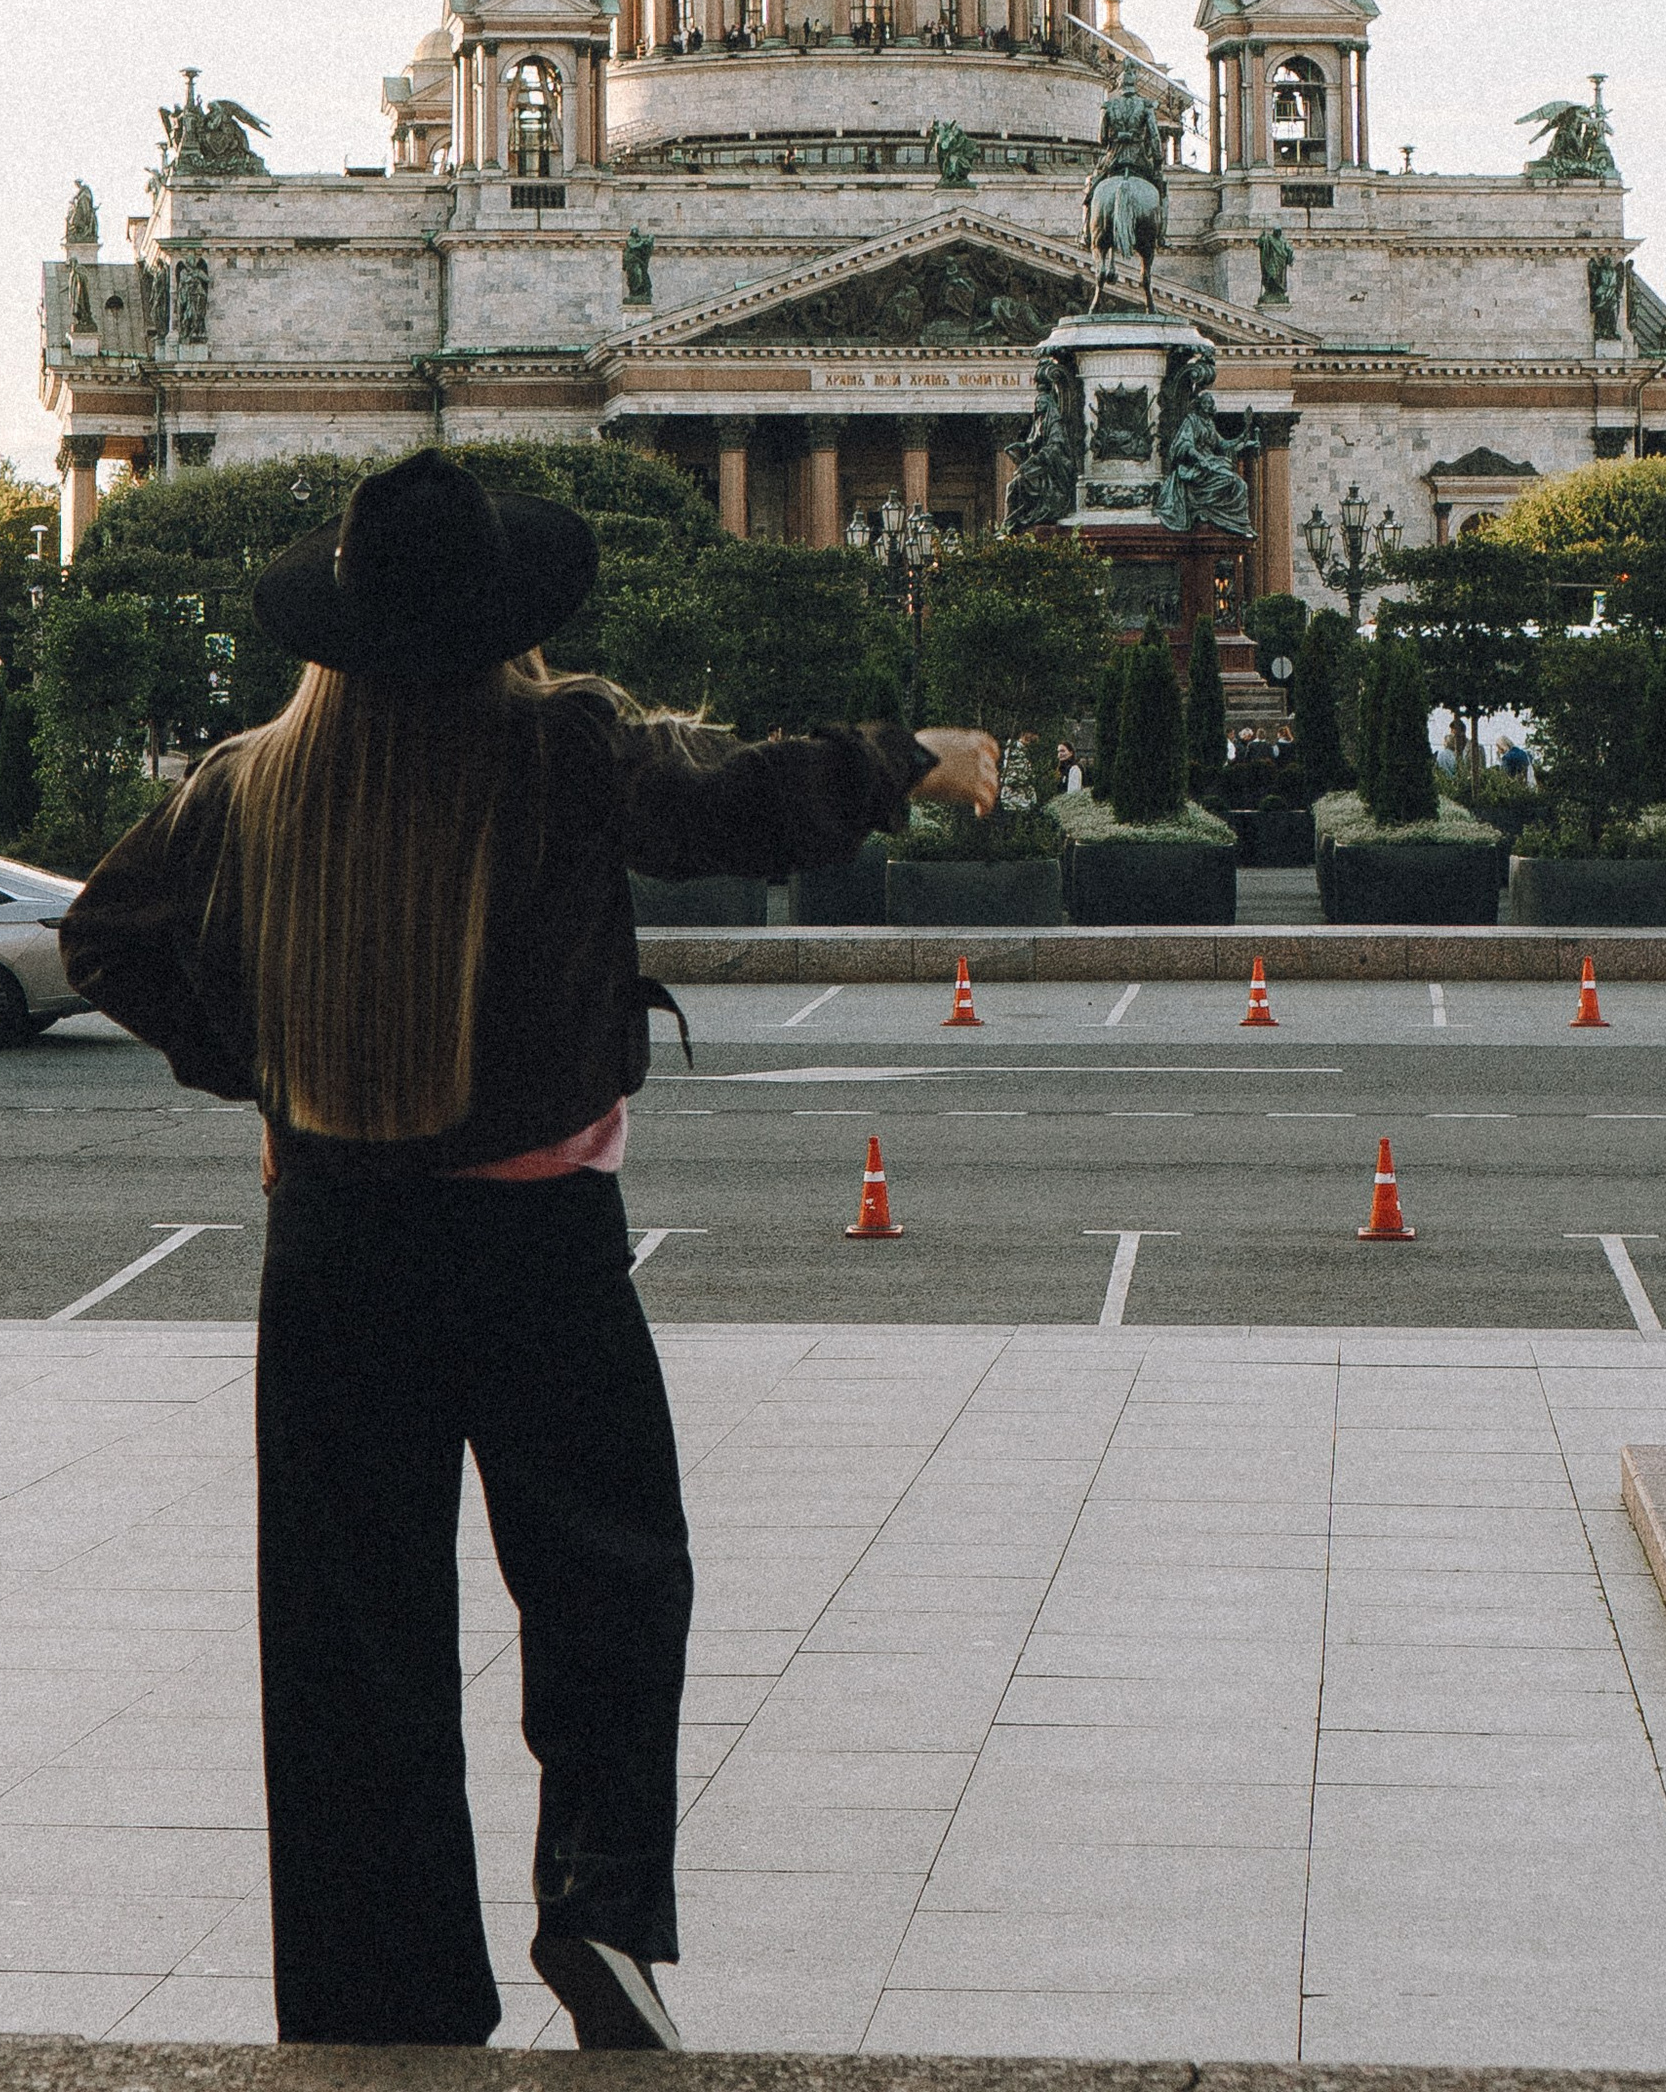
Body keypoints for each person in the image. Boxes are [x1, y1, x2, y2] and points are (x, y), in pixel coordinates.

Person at [59, 447, 997, 2053]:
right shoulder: (556, 750)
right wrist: (909, 758)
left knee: (350, 1635)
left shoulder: (250, 779)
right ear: (506, 621)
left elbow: (105, 938)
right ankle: (602, 1903)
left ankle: (382, 1998)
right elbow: (729, 803)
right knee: (612, 1582)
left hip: (336, 1239)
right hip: (536, 1233)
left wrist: (264, 1068)